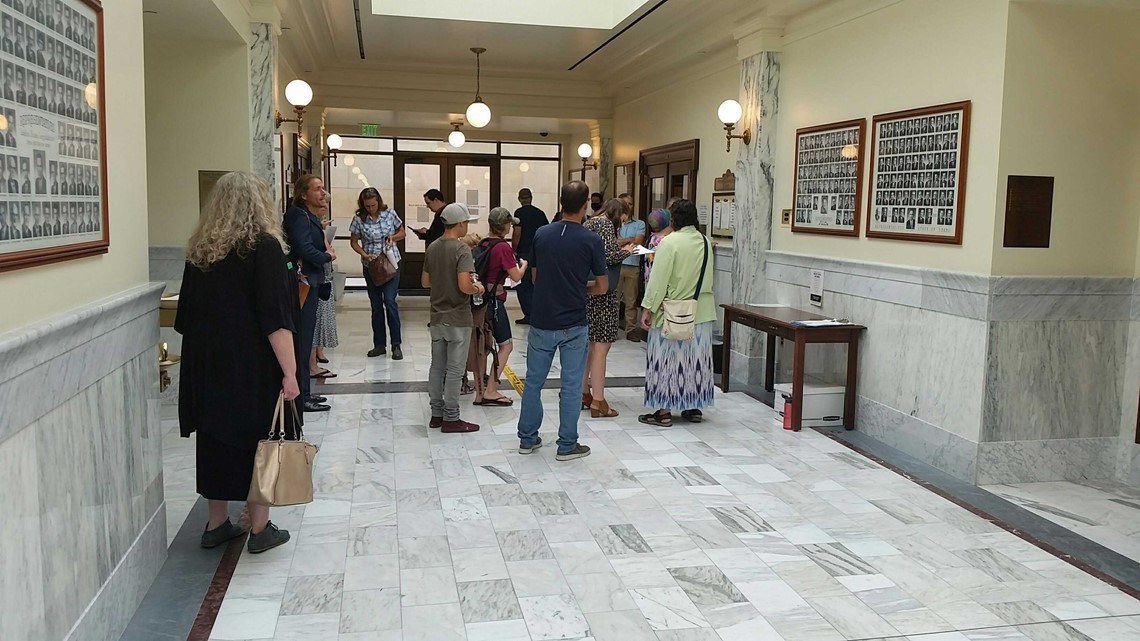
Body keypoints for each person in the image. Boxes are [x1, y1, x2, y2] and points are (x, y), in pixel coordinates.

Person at [175, 171, 296, 554]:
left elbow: (184, 319)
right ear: (261, 203)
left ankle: (216, 523)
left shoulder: (200, 252)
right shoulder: (264, 248)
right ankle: (260, 528)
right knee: (261, 440)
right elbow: (275, 319)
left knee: (215, 439)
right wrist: (291, 372)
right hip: (253, 365)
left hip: (208, 365)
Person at [516, 181, 607, 461]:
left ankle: (528, 439)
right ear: (584, 206)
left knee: (533, 381)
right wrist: (583, 287)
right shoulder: (592, 240)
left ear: (560, 201)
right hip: (574, 321)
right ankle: (567, 444)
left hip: (543, 318)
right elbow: (602, 286)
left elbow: (534, 276)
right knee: (570, 385)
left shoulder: (542, 234)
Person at [639, 199, 715, 427]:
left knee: (666, 360)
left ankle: (663, 411)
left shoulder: (669, 243)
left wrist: (648, 308)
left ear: (673, 219)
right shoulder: (705, 241)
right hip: (700, 310)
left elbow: (658, 280)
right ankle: (693, 407)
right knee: (695, 361)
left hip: (671, 311)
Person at [422, 202, 484, 433]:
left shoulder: (433, 247)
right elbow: (464, 285)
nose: (467, 226)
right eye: (467, 222)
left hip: (437, 317)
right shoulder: (461, 250)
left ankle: (436, 414)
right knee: (455, 370)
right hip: (458, 318)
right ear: (460, 223)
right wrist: (478, 288)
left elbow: (425, 282)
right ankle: (451, 418)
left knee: (437, 366)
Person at [283, 174, 334, 412]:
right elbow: (303, 247)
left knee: (306, 339)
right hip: (302, 283)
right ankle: (301, 398)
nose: (323, 193)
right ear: (303, 194)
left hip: (311, 282)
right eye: (317, 189)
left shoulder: (308, 215)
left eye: (323, 189)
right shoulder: (298, 215)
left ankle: (305, 393)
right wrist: (326, 256)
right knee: (302, 340)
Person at [582, 199, 632, 418]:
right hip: (604, 294)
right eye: (624, 217)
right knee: (601, 348)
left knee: (587, 347)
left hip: (588, 290)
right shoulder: (605, 225)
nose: (623, 222)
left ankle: (583, 393)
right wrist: (628, 251)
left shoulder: (589, 223)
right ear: (618, 212)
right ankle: (599, 401)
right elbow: (609, 256)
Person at [474, 207, 528, 406]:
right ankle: (491, 390)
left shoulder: (483, 243)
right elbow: (515, 276)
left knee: (483, 347)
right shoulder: (503, 248)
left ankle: (480, 391)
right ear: (505, 226)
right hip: (495, 302)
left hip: (481, 301)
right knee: (506, 345)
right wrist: (523, 266)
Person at [350, 187, 405, 359]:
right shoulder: (359, 219)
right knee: (376, 306)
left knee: (389, 301)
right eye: (367, 206)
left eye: (373, 205)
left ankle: (396, 344)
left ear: (378, 202)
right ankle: (379, 345)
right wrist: (365, 254)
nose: (371, 208)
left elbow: (402, 232)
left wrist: (393, 238)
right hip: (372, 266)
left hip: (391, 262)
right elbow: (354, 242)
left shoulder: (389, 214)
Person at [510, 187, 547, 325]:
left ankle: (529, 314)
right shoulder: (540, 213)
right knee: (536, 283)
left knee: (523, 285)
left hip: (524, 253)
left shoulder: (519, 213)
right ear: (531, 198)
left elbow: (517, 233)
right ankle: (538, 313)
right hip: (538, 252)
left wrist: (513, 249)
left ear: (519, 199)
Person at [311, 201, 339, 369]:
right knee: (317, 317)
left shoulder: (317, 229)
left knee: (323, 316)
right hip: (319, 277)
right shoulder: (309, 228)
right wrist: (329, 252)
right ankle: (313, 358)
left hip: (326, 276)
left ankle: (319, 350)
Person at [615, 202, 646, 340]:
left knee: (631, 300)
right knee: (613, 300)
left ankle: (631, 330)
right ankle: (611, 329)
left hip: (632, 266)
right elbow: (612, 242)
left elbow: (638, 241)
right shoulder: (615, 223)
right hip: (616, 265)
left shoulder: (640, 224)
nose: (629, 206)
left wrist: (622, 241)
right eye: (625, 203)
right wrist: (629, 240)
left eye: (630, 203)